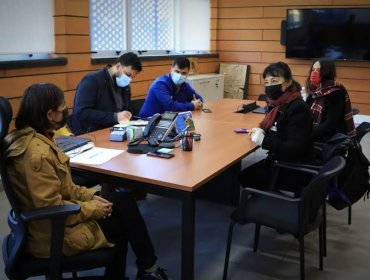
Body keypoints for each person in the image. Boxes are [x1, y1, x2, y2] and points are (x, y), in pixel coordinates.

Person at [3, 83, 168, 280]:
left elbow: (65, 188)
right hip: (52, 234)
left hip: (50, 221)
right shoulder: (36, 154)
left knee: (122, 201)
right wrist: (93, 208)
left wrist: (93, 196)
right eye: (63, 107)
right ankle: (142, 270)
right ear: (49, 114)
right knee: (120, 222)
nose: (66, 110)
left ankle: (147, 268)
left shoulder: (33, 137)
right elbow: (52, 207)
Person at [239, 62, 313, 191]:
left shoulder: (297, 108)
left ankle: (273, 202)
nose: (270, 86)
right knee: (245, 174)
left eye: (274, 80)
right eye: (266, 83)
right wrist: (263, 131)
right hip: (281, 160)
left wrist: (263, 141)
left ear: (288, 82)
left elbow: (295, 148)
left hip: (292, 167)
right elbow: (280, 131)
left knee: (243, 177)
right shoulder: (280, 105)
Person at [69, 52, 142, 135]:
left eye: (132, 77)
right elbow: (81, 112)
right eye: (128, 75)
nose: (129, 80)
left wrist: (128, 116)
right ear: (118, 66)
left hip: (115, 131)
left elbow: (127, 109)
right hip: (90, 133)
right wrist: (114, 117)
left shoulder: (125, 86)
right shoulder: (92, 80)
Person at [306, 59, 356, 142]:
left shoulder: (336, 93)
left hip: (328, 137)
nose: (314, 73)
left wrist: (307, 132)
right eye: (313, 69)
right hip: (316, 131)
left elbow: (330, 125)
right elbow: (305, 111)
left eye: (318, 70)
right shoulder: (314, 90)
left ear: (326, 73)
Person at [139, 57, 203, 118]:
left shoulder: (184, 85)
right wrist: (192, 105)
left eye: (183, 73)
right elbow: (170, 107)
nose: (179, 76)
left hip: (167, 120)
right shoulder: (160, 84)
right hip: (148, 121)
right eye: (177, 72)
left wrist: (197, 103)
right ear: (171, 69)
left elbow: (199, 99)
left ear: (188, 73)